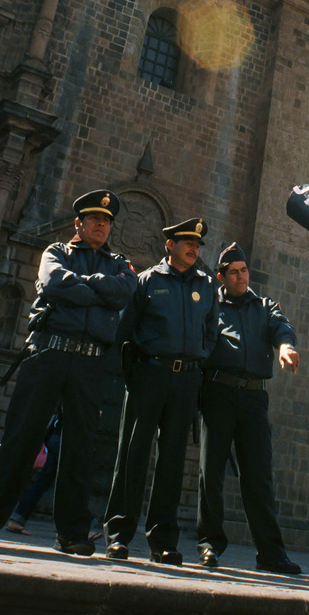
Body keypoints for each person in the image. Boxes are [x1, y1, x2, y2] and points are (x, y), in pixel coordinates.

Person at [0, 190, 136, 555]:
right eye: (94, 219)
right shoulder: (55, 253)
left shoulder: (120, 264)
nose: (101, 225)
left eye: (106, 221)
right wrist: (99, 290)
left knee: (80, 449)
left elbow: (123, 292)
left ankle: (72, 533)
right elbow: (56, 282)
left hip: (90, 362)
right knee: (20, 439)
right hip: (48, 354)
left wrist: (82, 288)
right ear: (79, 224)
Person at [104, 217, 219, 565]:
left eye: (197, 245)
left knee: (172, 461)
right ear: (170, 245)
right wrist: (136, 377)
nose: (193, 249)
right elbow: (125, 332)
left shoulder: (207, 286)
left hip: (185, 381)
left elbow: (211, 333)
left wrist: (198, 361)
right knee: (132, 454)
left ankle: (163, 542)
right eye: (187, 243)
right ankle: (119, 536)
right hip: (149, 375)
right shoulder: (147, 281)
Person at [197, 242, 301, 575]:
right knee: (210, 471)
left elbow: (282, 327)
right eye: (234, 273)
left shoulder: (264, 306)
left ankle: (270, 553)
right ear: (221, 277)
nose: (241, 277)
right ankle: (210, 543)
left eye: (244, 271)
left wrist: (286, 347)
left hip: (254, 398)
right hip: (218, 393)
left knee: (258, 476)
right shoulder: (211, 305)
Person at [5, 417, 61, 533]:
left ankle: (18, 518)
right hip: (61, 443)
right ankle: (83, 526)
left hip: (55, 441)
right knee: (67, 484)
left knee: (43, 483)